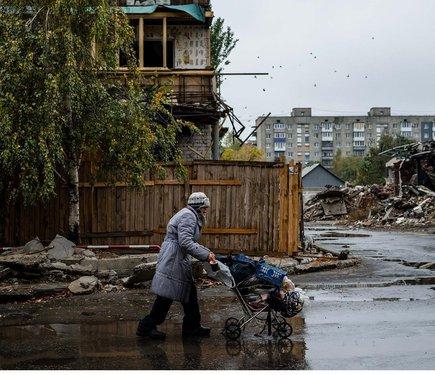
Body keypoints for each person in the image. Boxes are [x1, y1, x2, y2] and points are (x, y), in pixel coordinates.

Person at [137, 192, 216, 339]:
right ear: (198, 206)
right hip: (174, 258)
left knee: (187, 292)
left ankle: (192, 328)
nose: (206, 210)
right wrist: (205, 255)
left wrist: (206, 252)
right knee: (167, 295)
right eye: (204, 207)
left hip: (176, 257)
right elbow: (185, 242)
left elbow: (187, 241)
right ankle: (146, 327)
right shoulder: (188, 216)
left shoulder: (190, 215)